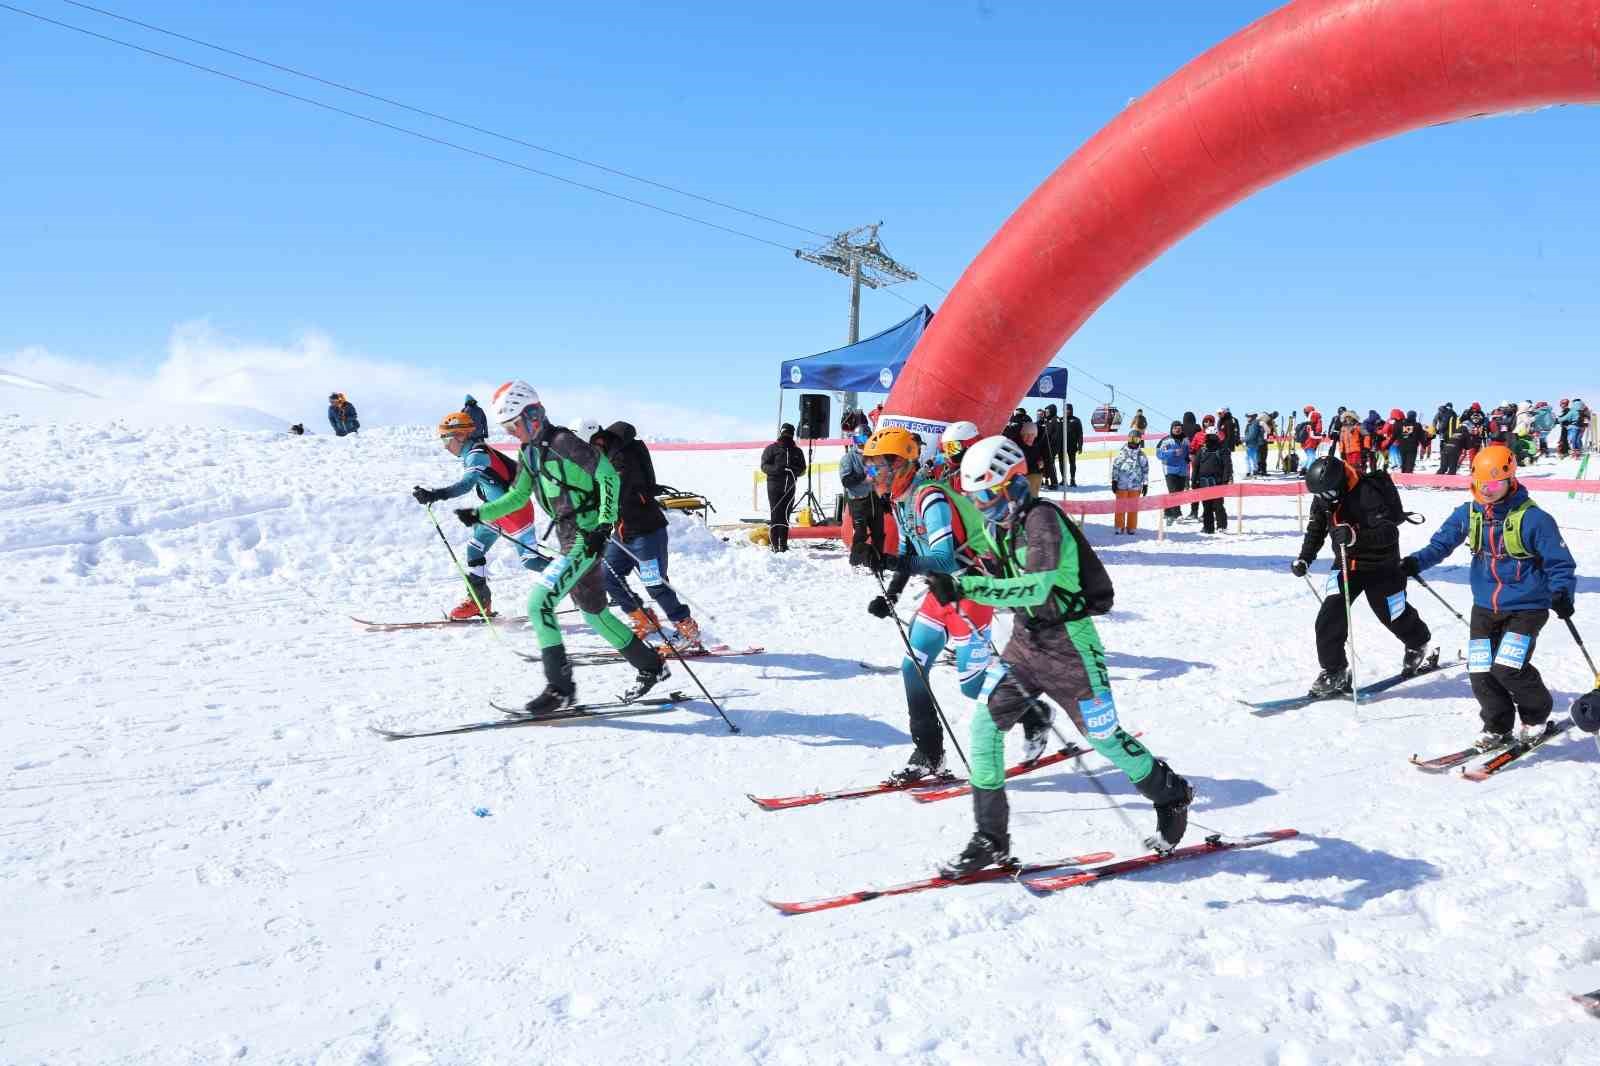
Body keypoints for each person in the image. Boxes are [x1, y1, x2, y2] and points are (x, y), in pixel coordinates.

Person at [926, 436, 1194, 875]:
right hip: (1025, 644)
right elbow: (999, 574)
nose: (982, 507)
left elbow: (1036, 587)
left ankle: (1170, 793)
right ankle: (991, 838)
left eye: (987, 495)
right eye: (975, 499)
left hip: (1071, 647)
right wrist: (952, 573)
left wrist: (968, 587)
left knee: (1104, 738)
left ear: (1013, 483)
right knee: (984, 727)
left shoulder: (1042, 519)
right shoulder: (1001, 526)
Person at [456, 380, 669, 713]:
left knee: (539, 603)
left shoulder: (564, 443)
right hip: (569, 539)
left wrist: (604, 523)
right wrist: (479, 513)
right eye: (507, 427)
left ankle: (560, 689)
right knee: (595, 614)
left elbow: (608, 476)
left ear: (533, 415)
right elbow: (516, 497)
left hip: (587, 539)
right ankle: (651, 665)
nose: (512, 433)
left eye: (514, 425)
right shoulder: (529, 453)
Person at [863, 429, 1056, 783]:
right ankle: (929, 753)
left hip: (971, 590)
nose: (872, 475)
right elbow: (909, 552)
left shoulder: (929, 498)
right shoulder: (902, 499)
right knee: (912, 667)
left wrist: (889, 561)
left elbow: (943, 559)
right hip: (942, 593)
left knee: (972, 684)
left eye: (878, 467)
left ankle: (1034, 713)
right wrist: (891, 594)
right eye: (871, 467)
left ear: (901, 464)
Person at [1403, 444, 1577, 749]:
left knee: (1508, 667)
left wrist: (1562, 593)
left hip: (1527, 607)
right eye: (1481, 485)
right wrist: (1415, 562)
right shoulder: (1469, 513)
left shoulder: (1535, 519)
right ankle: (1497, 725)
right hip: (1484, 606)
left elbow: (1560, 563)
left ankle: (1535, 716)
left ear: (1511, 479)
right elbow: (1441, 544)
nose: (1487, 491)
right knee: (1481, 669)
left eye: (1495, 484)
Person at [1290, 456, 1434, 696]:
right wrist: (1305, 558)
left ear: (1339, 483)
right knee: (1329, 616)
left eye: (1327, 493)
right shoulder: (1324, 496)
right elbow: (1316, 529)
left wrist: (1356, 536)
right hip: (1347, 564)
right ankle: (1334, 670)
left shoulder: (1367, 492)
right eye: (1319, 495)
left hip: (1382, 565)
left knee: (1392, 613)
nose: (1323, 499)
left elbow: (1389, 533)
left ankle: (1418, 642)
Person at [413, 411, 550, 619]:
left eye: (446, 438)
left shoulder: (476, 454)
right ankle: (479, 602)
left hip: (515, 512)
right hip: (497, 512)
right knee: (474, 550)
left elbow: (465, 485)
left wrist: (436, 494)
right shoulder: (472, 453)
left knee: (531, 561)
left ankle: (582, 577)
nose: (445, 445)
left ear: (460, 436)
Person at [588, 420, 702, 649]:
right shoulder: (608, 457)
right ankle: (642, 617)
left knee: (655, 584)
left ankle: (687, 629)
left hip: (646, 534)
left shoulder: (621, 458)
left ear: (597, 441)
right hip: (623, 534)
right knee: (608, 577)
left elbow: (615, 492)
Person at [840, 422, 885, 567]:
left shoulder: (874, 456)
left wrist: (884, 496)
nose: (861, 444)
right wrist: (863, 478)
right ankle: (856, 562)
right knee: (860, 534)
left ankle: (876, 560)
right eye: (858, 440)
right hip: (858, 501)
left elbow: (881, 477)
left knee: (878, 533)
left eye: (865, 440)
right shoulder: (849, 458)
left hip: (874, 499)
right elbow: (846, 480)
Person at [760, 424, 806, 553]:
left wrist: (793, 470)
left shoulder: (797, 451)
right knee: (776, 515)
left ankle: (783, 544)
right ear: (781, 433)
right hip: (774, 487)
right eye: (785, 433)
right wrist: (776, 469)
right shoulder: (771, 449)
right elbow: (764, 466)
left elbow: (802, 469)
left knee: (786, 516)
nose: (787, 436)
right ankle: (775, 544)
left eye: (789, 433)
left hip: (790, 487)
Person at [1191, 430, 1232, 533]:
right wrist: (1194, 481)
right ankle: (1208, 527)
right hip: (1203, 482)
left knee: (1218, 505)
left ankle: (1221, 526)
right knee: (1206, 506)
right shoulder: (1202, 450)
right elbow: (1196, 466)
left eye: (1213, 436)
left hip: (1217, 483)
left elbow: (1227, 466)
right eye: (1209, 437)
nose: (1211, 439)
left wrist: (1225, 481)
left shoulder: (1222, 450)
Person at [1110, 430, 1148, 535]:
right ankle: (1119, 526)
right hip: (1121, 485)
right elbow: (1116, 467)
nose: (1133, 442)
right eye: (1131, 439)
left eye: (1136, 439)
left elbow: (1145, 470)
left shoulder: (1141, 455)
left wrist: (1145, 483)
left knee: (1133, 507)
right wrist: (1114, 480)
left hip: (1135, 486)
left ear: (1139, 441)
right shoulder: (1122, 453)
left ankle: (1131, 527)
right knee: (1120, 506)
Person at [1155, 420, 1189, 526]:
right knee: (1174, 492)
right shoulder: (1166, 440)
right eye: (1175, 428)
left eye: (1179, 428)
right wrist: (1173, 452)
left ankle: (1168, 511)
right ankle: (1177, 514)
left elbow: (1189, 451)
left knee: (1179, 492)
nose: (1177, 430)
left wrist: (1188, 458)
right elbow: (1159, 454)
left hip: (1182, 470)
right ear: (1171, 429)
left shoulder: (1186, 440)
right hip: (1169, 470)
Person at [1062, 403, 1085, 486]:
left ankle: (1072, 479)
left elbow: (1080, 434)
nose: (1067, 411)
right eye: (1065, 409)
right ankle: (1063, 479)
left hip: (1072, 446)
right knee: (1062, 463)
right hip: (1062, 446)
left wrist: (1080, 446)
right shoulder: (1061, 420)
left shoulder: (1076, 420)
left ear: (1071, 410)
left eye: (1068, 409)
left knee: (1072, 462)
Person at [1242, 413, 1265, 479]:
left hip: (1252, 444)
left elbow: (1251, 435)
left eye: (1248, 417)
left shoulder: (1254, 424)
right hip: (1251, 444)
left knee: (1251, 459)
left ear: (1251, 417)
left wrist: (1243, 440)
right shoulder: (1251, 424)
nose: (1247, 418)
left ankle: (1252, 473)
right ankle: (1251, 472)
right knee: (1249, 458)